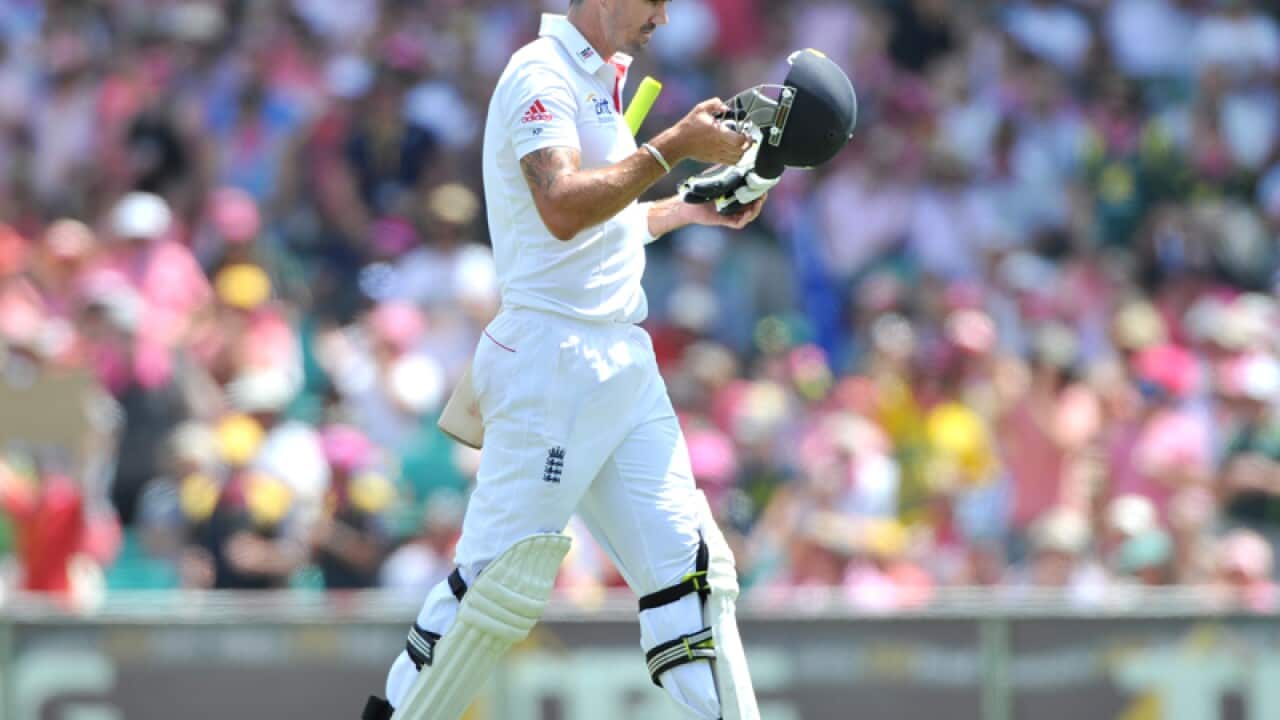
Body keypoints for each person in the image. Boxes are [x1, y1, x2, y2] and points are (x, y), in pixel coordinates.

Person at [362, 0, 768, 718]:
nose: (663, 19)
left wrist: (684, 207)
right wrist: (673, 145)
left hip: (621, 355)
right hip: (554, 357)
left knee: (697, 581)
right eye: (654, 1)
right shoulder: (538, 72)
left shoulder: (598, 79)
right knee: (496, 587)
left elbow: (596, 229)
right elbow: (560, 206)